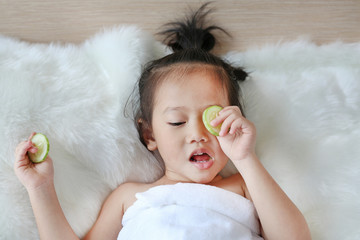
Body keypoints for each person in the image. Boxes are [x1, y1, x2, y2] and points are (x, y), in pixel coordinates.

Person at [14, 3, 311, 240]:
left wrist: (245, 157)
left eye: (211, 119)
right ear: (149, 134)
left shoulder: (243, 187)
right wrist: (41, 189)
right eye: (177, 122)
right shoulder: (130, 197)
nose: (197, 134)